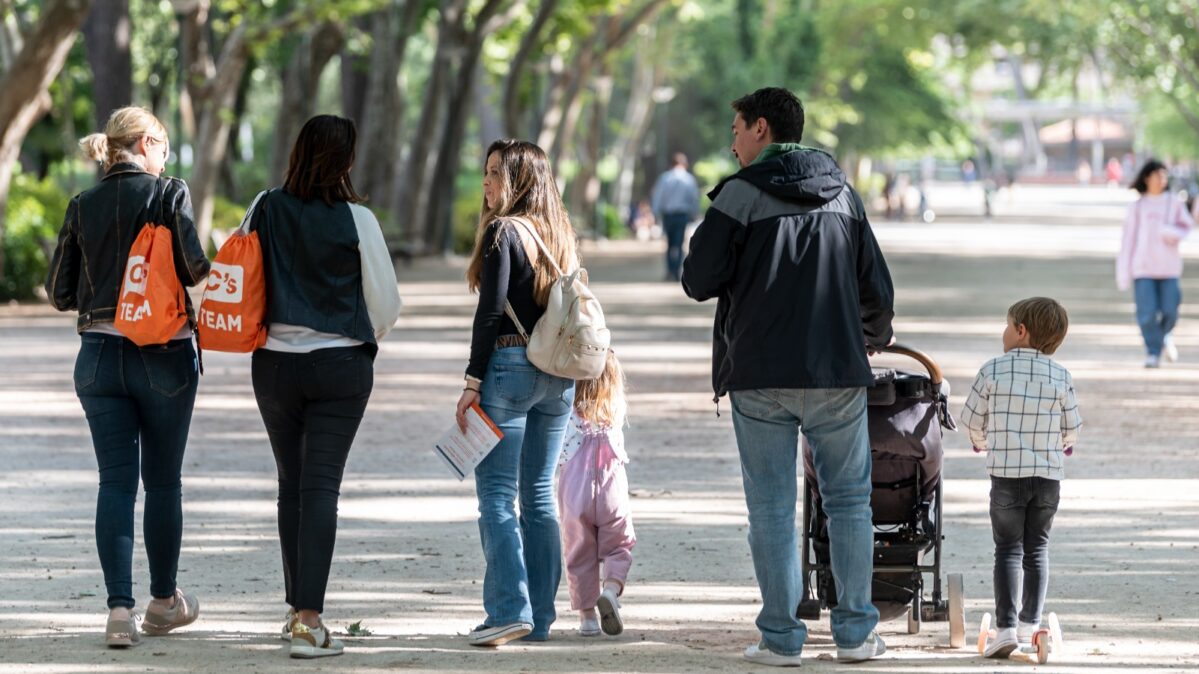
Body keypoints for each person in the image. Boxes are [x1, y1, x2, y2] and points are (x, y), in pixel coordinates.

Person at [681, 87, 895, 667]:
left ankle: (780, 639)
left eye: (736, 130)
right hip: (836, 372)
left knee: (772, 508)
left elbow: (697, 280)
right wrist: (870, 337)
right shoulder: (843, 195)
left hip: (759, 374)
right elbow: (877, 287)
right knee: (850, 502)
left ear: (760, 129)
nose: (731, 142)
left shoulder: (739, 196)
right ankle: (854, 635)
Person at [45, 106, 211, 648]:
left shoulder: (81, 203)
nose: (166, 158)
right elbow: (194, 268)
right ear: (144, 143)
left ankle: (120, 612)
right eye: (162, 146)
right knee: (162, 482)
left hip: (97, 358)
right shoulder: (169, 195)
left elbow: (59, 293)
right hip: (162, 356)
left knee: (115, 483)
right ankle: (163, 602)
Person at [246, 115, 401, 658]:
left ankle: (296, 613)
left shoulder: (264, 207)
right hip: (340, 367)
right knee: (321, 488)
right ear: (348, 161)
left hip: (274, 367)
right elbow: (386, 305)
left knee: (291, 483)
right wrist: (355, 333)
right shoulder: (358, 220)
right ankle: (310, 622)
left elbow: (239, 279)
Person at [456, 139, 579, 646]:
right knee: (539, 500)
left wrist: (471, 382)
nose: (486, 184)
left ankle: (509, 610)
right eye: (484, 173)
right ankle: (541, 618)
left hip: (508, 367)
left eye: (494, 174)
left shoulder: (504, 232)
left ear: (519, 180)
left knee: (497, 500)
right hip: (558, 375)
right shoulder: (559, 232)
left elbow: (490, 313)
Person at [959, 297, 1082, 658]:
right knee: (1038, 548)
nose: (1004, 331)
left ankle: (1006, 629)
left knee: (1008, 550)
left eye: (1007, 324)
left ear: (1021, 331)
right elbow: (1072, 428)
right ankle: (1031, 626)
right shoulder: (1061, 375)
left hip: (1007, 479)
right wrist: (1059, 445)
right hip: (1046, 480)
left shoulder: (992, 370)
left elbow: (970, 421)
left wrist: (982, 442)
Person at [557, 351, 635, 638]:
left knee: (579, 550)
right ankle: (612, 591)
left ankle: (587, 618)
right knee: (619, 545)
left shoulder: (566, 411)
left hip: (574, 488)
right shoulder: (616, 407)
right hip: (612, 487)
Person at [1116, 159, 1194, 368]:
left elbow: (1187, 227)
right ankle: (1153, 351)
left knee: (1170, 310)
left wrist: (1172, 233)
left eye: (1164, 175)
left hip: (1169, 269)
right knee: (1147, 313)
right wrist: (1124, 271)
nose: (1162, 179)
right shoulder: (1138, 206)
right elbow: (1128, 240)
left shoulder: (1174, 202)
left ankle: (1164, 336)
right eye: (1158, 175)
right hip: (1143, 269)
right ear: (1146, 178)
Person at [651, 152, 700, 280]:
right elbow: (694, 199)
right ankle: (677, 271)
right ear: (684, 164)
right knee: (679, 244)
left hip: (668, 215)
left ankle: (670, 270)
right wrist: (694, 213)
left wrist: (655, 213)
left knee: (669, 243)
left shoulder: (665, 178)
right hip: (682, 215)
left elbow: (658, 197)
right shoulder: (689, 179)